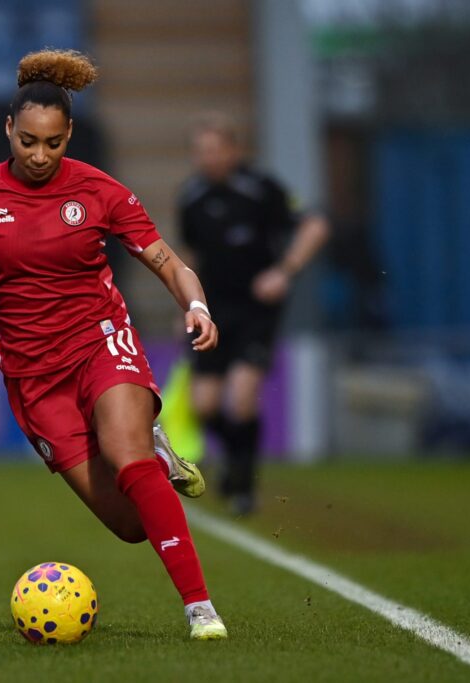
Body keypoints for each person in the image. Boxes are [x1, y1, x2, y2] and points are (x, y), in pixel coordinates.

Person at [0, 49, 228, 640]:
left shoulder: (100, 191)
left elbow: (166, 260)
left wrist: (197, 306)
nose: (38, 155)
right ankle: (154, 459)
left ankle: (199, 608)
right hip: (33, 376)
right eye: (28, 140)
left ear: (69, 134)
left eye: (53, 143)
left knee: (128, 456)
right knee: (132, 525)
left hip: (99, 341)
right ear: (8, 129)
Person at [178, 112, 330, 516]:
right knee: (205, 405)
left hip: (256, 310)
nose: (207, 158)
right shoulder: (191, 196)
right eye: (200, 151)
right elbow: (190, 256)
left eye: (214, 150)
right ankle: (234, 459)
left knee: (242, 400)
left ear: (233, 150)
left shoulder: (262, 189)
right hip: (213, 312)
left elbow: (315, 226)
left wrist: (284, 271)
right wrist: (189, 303)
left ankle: (243, 485)